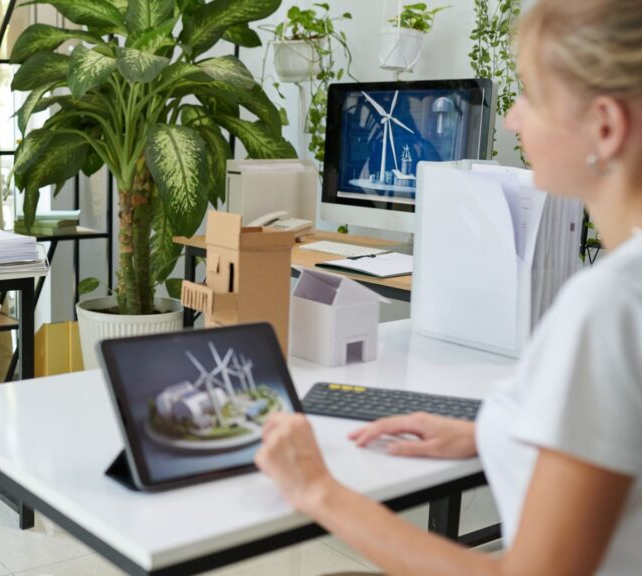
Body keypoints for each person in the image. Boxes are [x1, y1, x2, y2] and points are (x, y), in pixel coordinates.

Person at [255, 0, 642, 574]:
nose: (511, 120)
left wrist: (318, 491)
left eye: (530, 95)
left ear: (605, 128)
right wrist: (495, 431)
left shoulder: (607, 306)